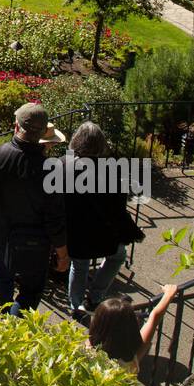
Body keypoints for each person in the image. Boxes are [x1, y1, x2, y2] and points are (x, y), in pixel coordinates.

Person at [0, 102, 69, 316]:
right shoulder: (51, 169)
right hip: (37, 244)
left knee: (3, 281)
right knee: (30, 293)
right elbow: (55, 217)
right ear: (43, 133)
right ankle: (14, 326)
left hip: (3, 237)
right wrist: (62, 252)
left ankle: (2, 325)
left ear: (16, 126)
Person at [56, 121, 143, 322]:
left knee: (79, 265)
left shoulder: (62, 164)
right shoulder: (112, 170)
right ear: (100, 145)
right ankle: (95, 296)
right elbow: (119, 205)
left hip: (74, 231)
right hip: (103, 233)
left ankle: (76, 304)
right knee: (118, 256)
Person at [88, 284, 180, 372]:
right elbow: (154, 317)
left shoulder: (87, 350)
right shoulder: (134, 356)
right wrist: (168, 295)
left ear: (97, 323)